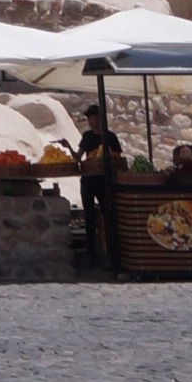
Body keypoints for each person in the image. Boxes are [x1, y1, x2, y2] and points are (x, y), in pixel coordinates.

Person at [75, 103, 123, 265]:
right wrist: (67, 146)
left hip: (104, 180)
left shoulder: (110, 137)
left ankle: (112, 251)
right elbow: (78, 156)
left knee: (108, 214)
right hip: (88, 179)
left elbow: (117, 156)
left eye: (93, 117)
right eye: (89, 118)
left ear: (100, 118)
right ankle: (91, 252)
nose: (90, 121)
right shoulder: (87, 136)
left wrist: (106, 154)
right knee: (89, 216)